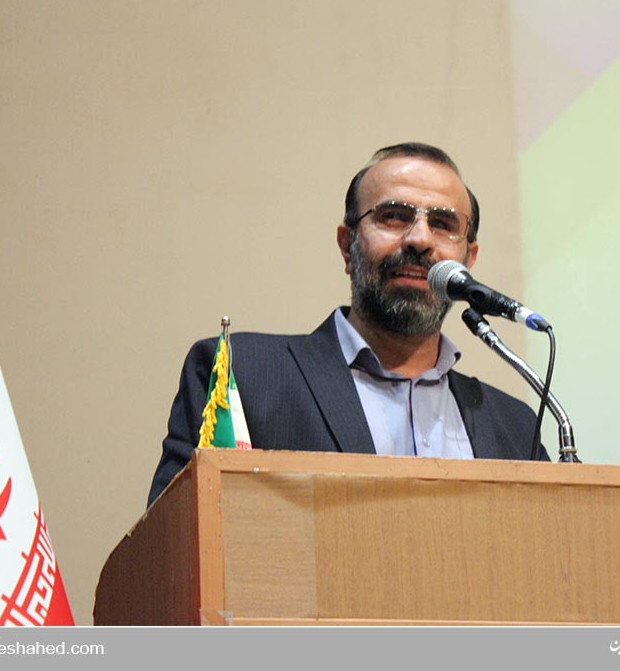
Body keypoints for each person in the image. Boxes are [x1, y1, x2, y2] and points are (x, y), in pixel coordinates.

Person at [148, 143, 547, 506]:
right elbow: (178, 541)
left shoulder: (515, 425)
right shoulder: (243, 376)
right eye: (394, 216)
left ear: (468, 259)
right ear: (346, 245)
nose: (420, 239)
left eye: (443, 224)